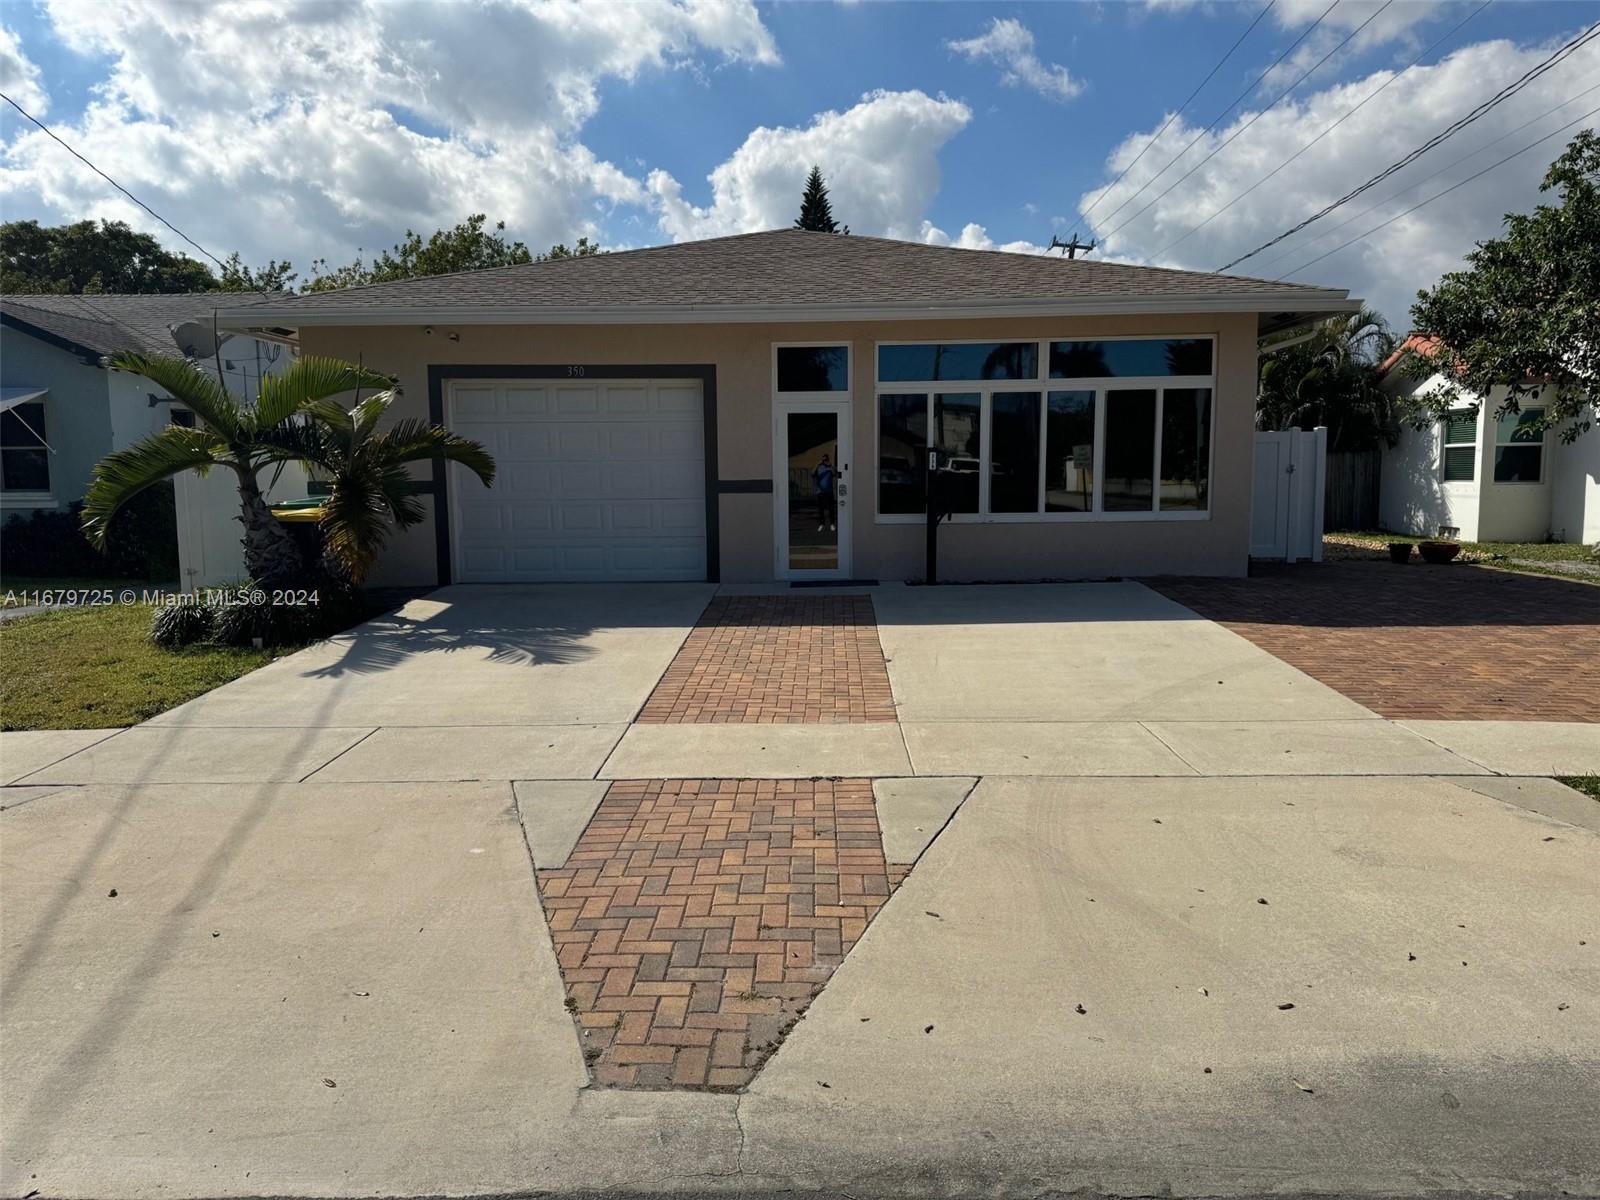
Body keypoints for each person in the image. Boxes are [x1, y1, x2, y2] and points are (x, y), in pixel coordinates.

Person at [813, 452, 836, 532]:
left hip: (829, 491)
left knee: (831, 509)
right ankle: (821, 524)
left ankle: (832, 524)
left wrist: (830, 465)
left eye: (825, 459)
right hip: (820, 491)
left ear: (828, 459)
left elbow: (835, 473)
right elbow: (812, 473)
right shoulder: (819, 467)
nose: (824, 461)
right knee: (821, 509)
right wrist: (817, 464)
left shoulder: (830, 468)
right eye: (823, 459)